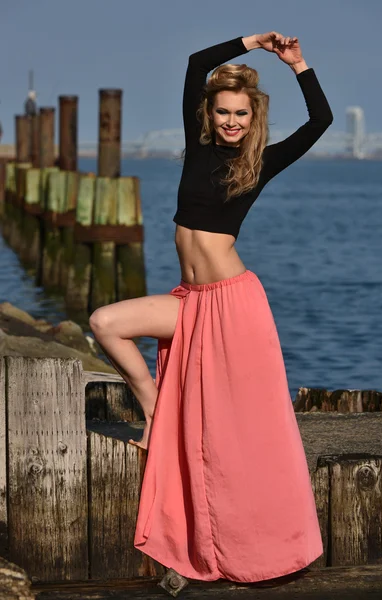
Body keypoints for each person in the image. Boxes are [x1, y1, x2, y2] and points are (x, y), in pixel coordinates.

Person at [90, 31, 333, 583]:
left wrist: (298, 64)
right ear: (210, 113)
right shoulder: (198, 147)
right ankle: (154, 407)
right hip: (191, 303)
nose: (230, 121)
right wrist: (252, 41)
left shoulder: (262, 163)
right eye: (222, 111)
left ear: (254, 116)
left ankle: (266, 550)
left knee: (243, 434)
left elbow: (320, 121)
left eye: (240, 113)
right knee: (106, 322)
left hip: (236, 306)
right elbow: (198, 63)